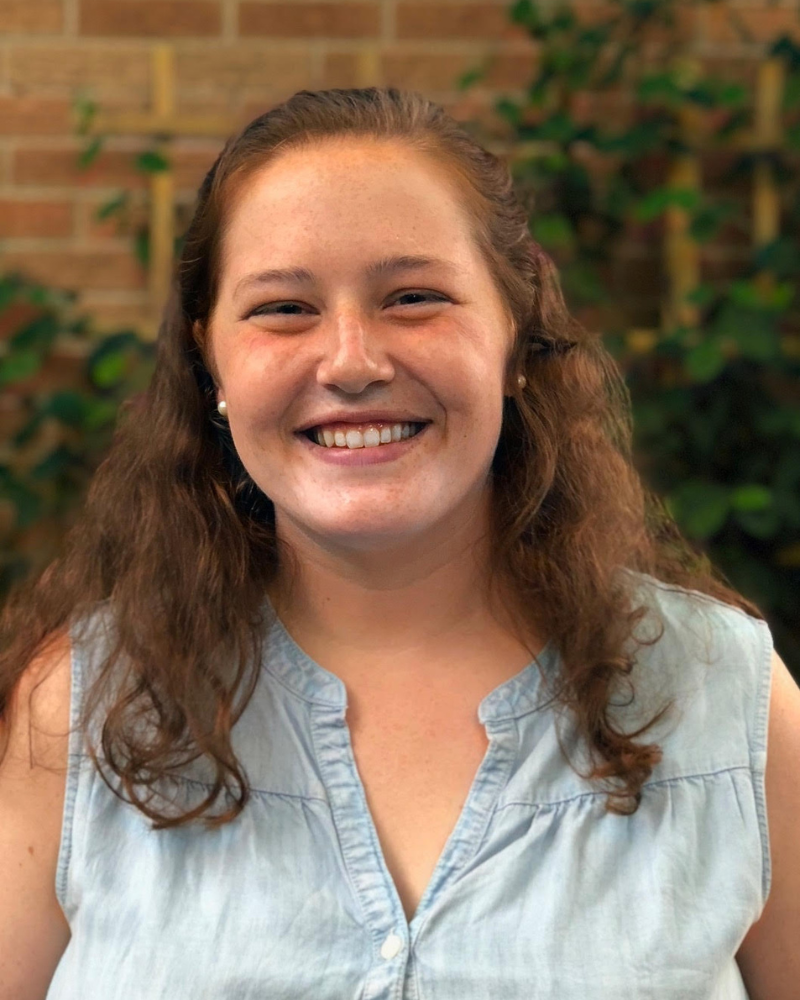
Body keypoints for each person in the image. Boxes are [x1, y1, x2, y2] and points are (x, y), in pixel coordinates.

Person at [0, 86, 798, 1000]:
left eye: (414, 297)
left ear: (513, 337)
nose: (351, 362)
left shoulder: (728, 701)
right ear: (210, 360)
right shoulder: (83, 711)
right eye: (283, 308)